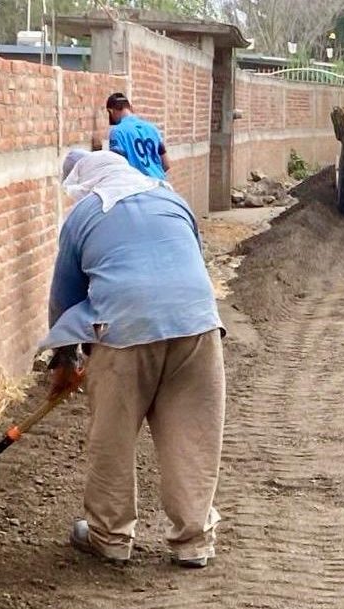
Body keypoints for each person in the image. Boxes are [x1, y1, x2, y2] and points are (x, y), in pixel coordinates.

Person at [43, 150, 225, 568]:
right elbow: (189, 263)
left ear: (85, 183)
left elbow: (64, 296)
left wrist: (64, 360)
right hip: (197, 327)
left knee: (113, 434)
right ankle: (194, 540)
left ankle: (109, 536)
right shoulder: (171, 197)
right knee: (193, 434)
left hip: (124, 334)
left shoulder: (83, 214)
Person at [96, 92, 171, 179]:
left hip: (137, 185)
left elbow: (117, 167)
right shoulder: (152, 128)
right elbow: (166, 164)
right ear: (130, 107)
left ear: (111, 111)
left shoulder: (117, 131)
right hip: (160, 183)